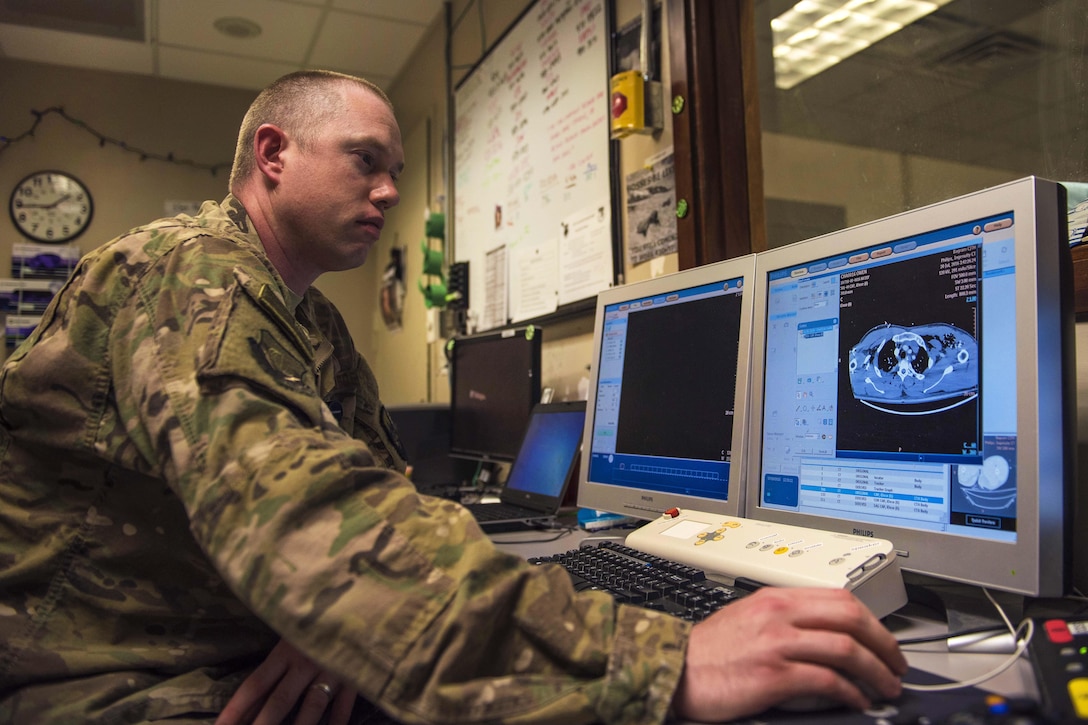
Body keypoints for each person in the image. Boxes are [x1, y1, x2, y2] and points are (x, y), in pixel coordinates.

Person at [0, 70, 907, 724]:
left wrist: (330, 618)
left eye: (393, 168)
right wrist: (662, 659)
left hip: (249, 651)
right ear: (273, 154)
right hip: (120, 679)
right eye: (365, 160)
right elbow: (306, 521)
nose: (390, 190)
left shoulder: (311, 325)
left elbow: (371, 494)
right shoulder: (191, 274)